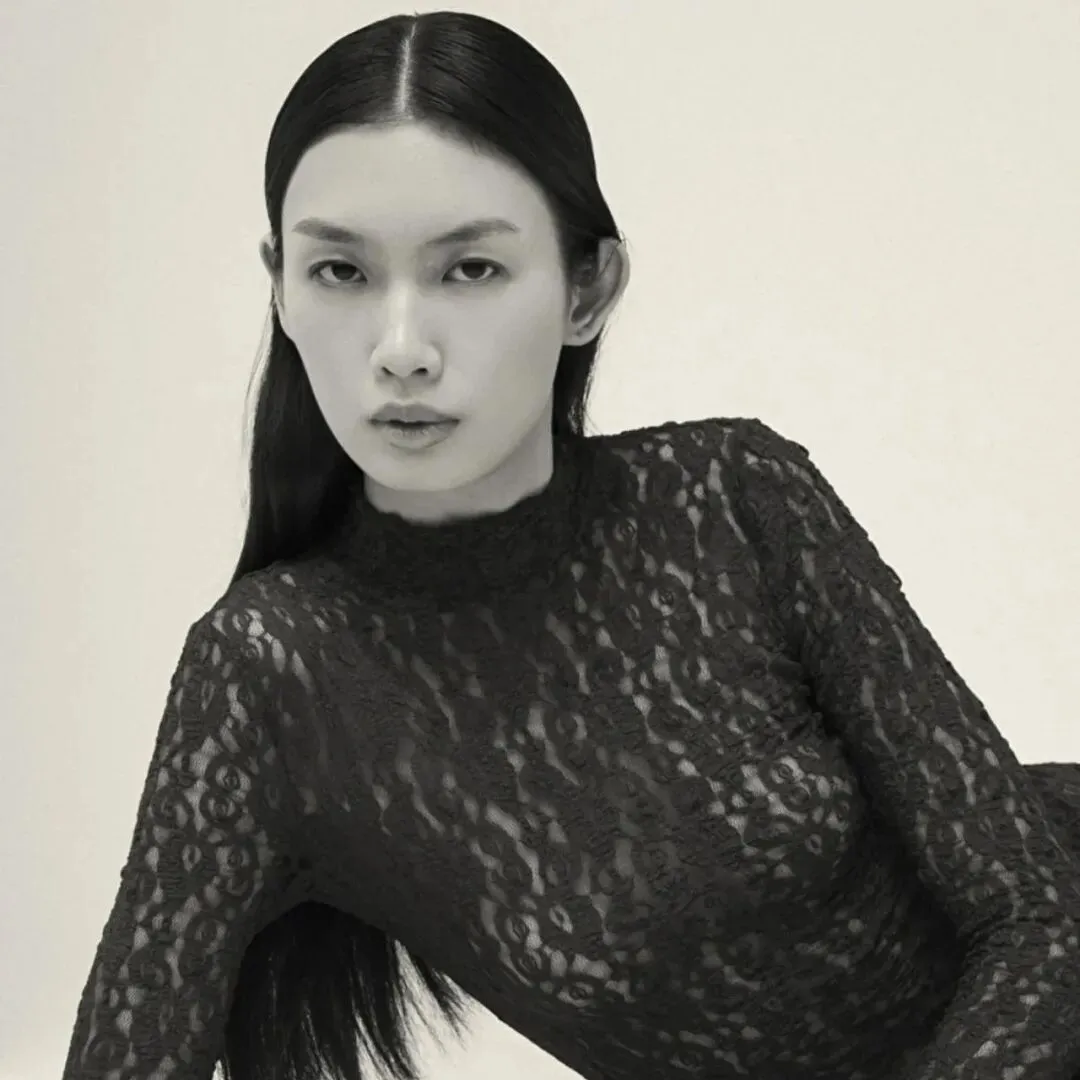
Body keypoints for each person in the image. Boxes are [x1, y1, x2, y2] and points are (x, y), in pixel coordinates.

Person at [61, 10, 1080, 1080]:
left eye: (470, 270)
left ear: (587, 289)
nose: (401, 350)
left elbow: (1043, 920)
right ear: (279, 285)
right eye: (341, 273)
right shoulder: (271, 675)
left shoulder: (730, 496)